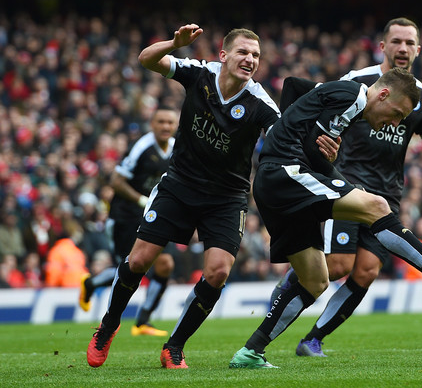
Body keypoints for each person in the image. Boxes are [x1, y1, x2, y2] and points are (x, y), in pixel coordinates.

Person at [86, 24, 338, 370]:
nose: (250, 59)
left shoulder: (259, 102)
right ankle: (109, 325)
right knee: (139, 260)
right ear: (224, 55)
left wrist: (321, 150)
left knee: (218, 272)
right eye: (243, 52)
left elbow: (287, 139)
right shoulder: (199, 73)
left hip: (226, 197)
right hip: (178, 186)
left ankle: (173, 347)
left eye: (256, 55)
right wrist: (174, 44)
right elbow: (146, 60)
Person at [229, 67, 422, 369]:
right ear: (382, 94)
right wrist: (287, 133)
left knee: (316, 280)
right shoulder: (353, 94)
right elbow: (308, 143)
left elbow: (294, 90)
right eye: (396, 113)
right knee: (377, 206)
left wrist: (296, 132)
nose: (395, 123)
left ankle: (251, 352)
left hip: (278, 184)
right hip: (284, 173)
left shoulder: (347, 105)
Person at [271, 17, 422, 357]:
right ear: (383, 46)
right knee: (337, 265)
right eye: (396, 42)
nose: (402, 48)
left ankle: (312, 340)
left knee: (367, 270)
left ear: (418, 50)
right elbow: (318, 112)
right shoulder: (356, 81)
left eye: (409, 43)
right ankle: (286, 291)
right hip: (347, 183)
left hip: (387, 194)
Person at [79, 106, 178, 338]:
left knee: (165, 265)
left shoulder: (175, 148)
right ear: (152, 124)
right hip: (125, 215)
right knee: (129, 267)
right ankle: (92, 286)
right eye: (161, 122)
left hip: (153, 214)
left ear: (175, 126)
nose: (165, 127)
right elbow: (116, 181)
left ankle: (143, 321)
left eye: (170, 123)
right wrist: (143, 200)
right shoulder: (140, 148)